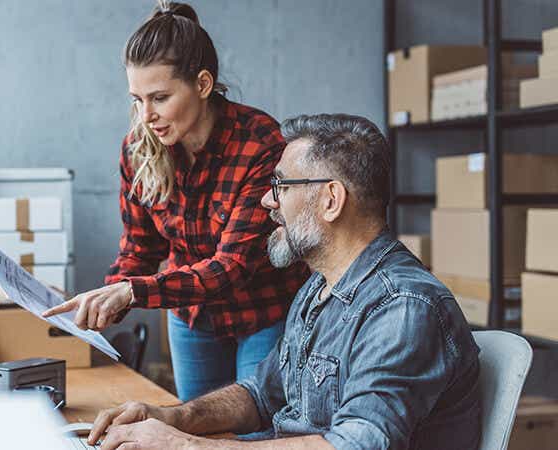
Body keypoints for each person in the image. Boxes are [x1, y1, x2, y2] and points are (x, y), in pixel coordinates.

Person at [85, 114, 482, 450]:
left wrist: (186, 446)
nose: (267, 202)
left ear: (331, 200)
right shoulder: (317, 288)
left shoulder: (404, 307)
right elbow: (262, 394)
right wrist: (173, 417)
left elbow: (355, 445)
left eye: (280, 186)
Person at [44, 1, 309, 401]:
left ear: (203, 85)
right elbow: (139, 250)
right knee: (196, 428)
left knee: (255, 431)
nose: (146, 115)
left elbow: (231, 267)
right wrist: (103, 301)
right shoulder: (138, 149)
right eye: (137, 99)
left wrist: (132, 292)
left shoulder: (259, 143)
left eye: (160, 98)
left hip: (263, 313)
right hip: (191, 318)